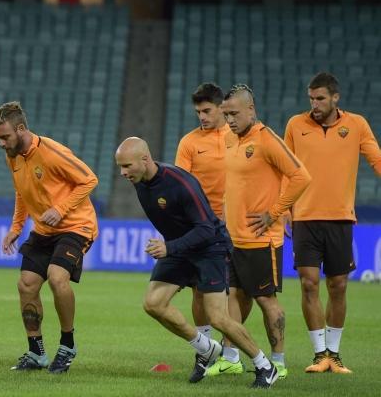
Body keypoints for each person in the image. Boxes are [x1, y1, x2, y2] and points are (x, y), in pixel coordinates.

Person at [115, 137, 279, 389]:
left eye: (127, 166)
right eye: (120, 167)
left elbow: (206, 229)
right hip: (180, 248)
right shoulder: (140, 182)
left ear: (145, 159)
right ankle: (206, 348)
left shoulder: (180, 182)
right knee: (153, 303)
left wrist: (169, 247)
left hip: (209, 248)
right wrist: (172, 247)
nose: (123, 173)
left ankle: (265, 366)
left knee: (218, 317)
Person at [0, 101, 98, 374]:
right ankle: (36, 352)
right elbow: (21, 191)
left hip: (75, 226)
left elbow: (89, 179)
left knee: (57, 277)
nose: (1, 143)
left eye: (5, 136)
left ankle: (67, 345)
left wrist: (60, 209)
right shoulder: (13, 155)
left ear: (20, 129)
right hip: (44, 230)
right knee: (26, 284)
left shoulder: (52, 152)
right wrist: (16, 227)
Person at [284, 72, 381, 374]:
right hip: (305, 218)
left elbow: (377, 160)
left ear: (335, 98)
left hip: (340, 218)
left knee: (338, 286)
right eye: (311, 98)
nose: (314, 104)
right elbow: (285, 169)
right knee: (308, 283)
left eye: (320, 98)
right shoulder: (295, 125)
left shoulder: (357, 124)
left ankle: (334, 355)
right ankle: (319, 355)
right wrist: (284, 208)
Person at [221, 84, 312, 380]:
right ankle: (231, 358)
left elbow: (301, 176)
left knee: (265, 300)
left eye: (234, 114)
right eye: (226, 114)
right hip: (234, 238)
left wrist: (275, 213)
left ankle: (279, 362)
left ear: (251, 109)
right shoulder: (230, 139)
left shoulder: (267, 139)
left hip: (261, 239)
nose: (229, 120)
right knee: (233, 296)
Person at [174, 83, 247, 375]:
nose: (202, 117)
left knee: (236, 292)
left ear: (221, 109)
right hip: (202, 227)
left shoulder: (238, 137)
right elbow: (180, 186)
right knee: (199, 291)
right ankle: (205, 350)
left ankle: (231, 354)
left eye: (207, 111)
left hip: (236, 225)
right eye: (198, 112)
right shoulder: (189, 143)